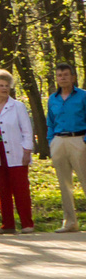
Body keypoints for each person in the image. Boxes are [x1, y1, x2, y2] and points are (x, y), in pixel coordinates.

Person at [0, 69, 36, 233]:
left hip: (17, 152)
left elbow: (27, 130)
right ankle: (8, 224)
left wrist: (27, 151)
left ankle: (27, 223)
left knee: (20, 189)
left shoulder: (18, 106)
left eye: (6, 85)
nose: (4, 88)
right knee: (3, 190)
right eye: (0, 85)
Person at [48, 63, 86, 231]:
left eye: (65, 75)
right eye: (59, 75)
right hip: (59, 141)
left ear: (73, 77)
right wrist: (51, 141)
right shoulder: (52, 99)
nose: (62, 78)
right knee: (64, 184)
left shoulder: (83, 96)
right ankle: (70, 222)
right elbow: (50, 121)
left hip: (79, 139)